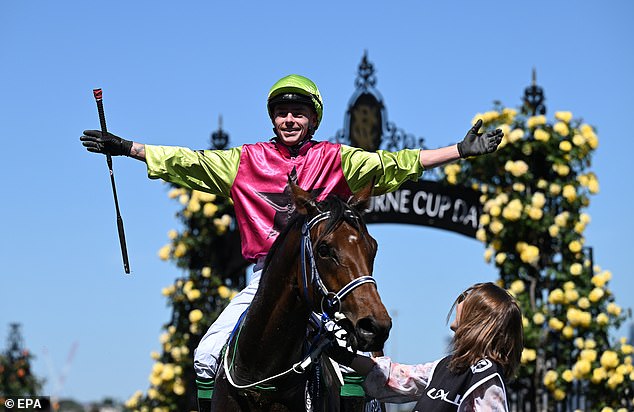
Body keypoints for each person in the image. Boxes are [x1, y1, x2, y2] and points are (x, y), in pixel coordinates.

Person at [80, 74, 504, 411]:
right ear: (272, 118)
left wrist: (458, 152)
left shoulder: (336, 159)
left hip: (323, 282)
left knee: (356, 363)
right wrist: (127, 148)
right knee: (206, 356)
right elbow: (189, 162)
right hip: (268, 279)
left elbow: (397, 163)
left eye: (298, 113)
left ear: (313, 120)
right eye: (282, 112)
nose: (289, 120)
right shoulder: (244, 161)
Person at [326, 282, 524, 412]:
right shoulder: (448, 366)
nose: (459, 300)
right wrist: (341, 355)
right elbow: (396, 376)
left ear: (478, 316)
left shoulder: (485, 376)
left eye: (466, 296)